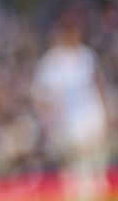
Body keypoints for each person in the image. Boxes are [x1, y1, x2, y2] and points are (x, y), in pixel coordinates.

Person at [32, 16, 110, 201]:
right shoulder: (51, 62)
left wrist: (105, 115)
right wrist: (49, 124)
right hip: (66, 126)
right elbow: (40, 96)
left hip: (91, 121)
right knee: (73, 175)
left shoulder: (86, 56)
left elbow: (99, 86)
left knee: (96, 173)